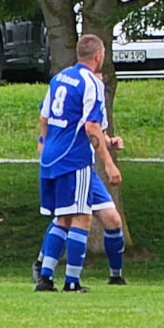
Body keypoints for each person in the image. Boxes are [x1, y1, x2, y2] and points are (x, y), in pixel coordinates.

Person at [35, 34, 122, 292]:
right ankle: (72, 281)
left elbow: (44, 117)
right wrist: (108, 163)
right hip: (74, 158)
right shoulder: (91, 83)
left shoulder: (60, 78)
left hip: (51, 157)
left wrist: (43, 142)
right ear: (98, 55)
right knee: (81, 218)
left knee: (62, 217)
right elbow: (91, 126)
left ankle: (46, 277)